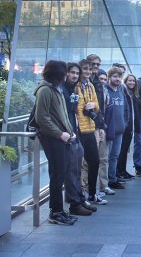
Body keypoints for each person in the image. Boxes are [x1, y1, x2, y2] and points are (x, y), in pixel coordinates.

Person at [34, 60, 77, 225]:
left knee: (60, 173)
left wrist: (70, 133)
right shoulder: (45, 90)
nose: (67, 75)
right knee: (57, 174)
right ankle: (56, 212)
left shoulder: (56, 89)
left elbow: (62, 115)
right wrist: (60, 134)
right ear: (58, 74)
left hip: (61, 137)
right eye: (65, 72)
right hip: (53, 138)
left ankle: (59, 210)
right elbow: (42, 119)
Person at [62, 62, 96, 216]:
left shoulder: (75, 88)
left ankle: (79, 199)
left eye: (77, 73)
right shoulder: (61, 89)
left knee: (76, 169)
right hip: (69, 134)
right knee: (71, 170)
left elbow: (95, 106)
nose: (75, 76)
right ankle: (73, 204)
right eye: (73, 73)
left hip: (75, 132)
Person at [76, 59, 104, 205]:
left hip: (89, 128)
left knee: (94, 161)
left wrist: (93, 105)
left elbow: (97, 107)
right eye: (84, 69)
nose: (87, 71)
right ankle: (79, 196)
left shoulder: (91, 86)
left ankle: (92, 194)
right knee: (78, 165)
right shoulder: (75, 86)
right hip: (78, 130)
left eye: (88, 69)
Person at [104, 66, 129, 190]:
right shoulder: (104, 90)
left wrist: (125, 123)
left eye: (119, 77)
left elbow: (126, 110)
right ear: (110, 77)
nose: (117, 79)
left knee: (115, 156)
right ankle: (104, 182)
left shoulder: (121, 91)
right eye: (115, 76)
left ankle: (112, 179)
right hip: (107, 130)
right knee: (106, 157)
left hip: (119, 130)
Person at [117, 74, 137, 180]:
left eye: (133, 81)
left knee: (124, 150)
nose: (132, 83)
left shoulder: (131, 93)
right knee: (121, 150)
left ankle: (123, 170)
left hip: (130, 126)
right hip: (125, 126)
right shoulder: (123, 91)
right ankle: (119, 172)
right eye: (129, 80)